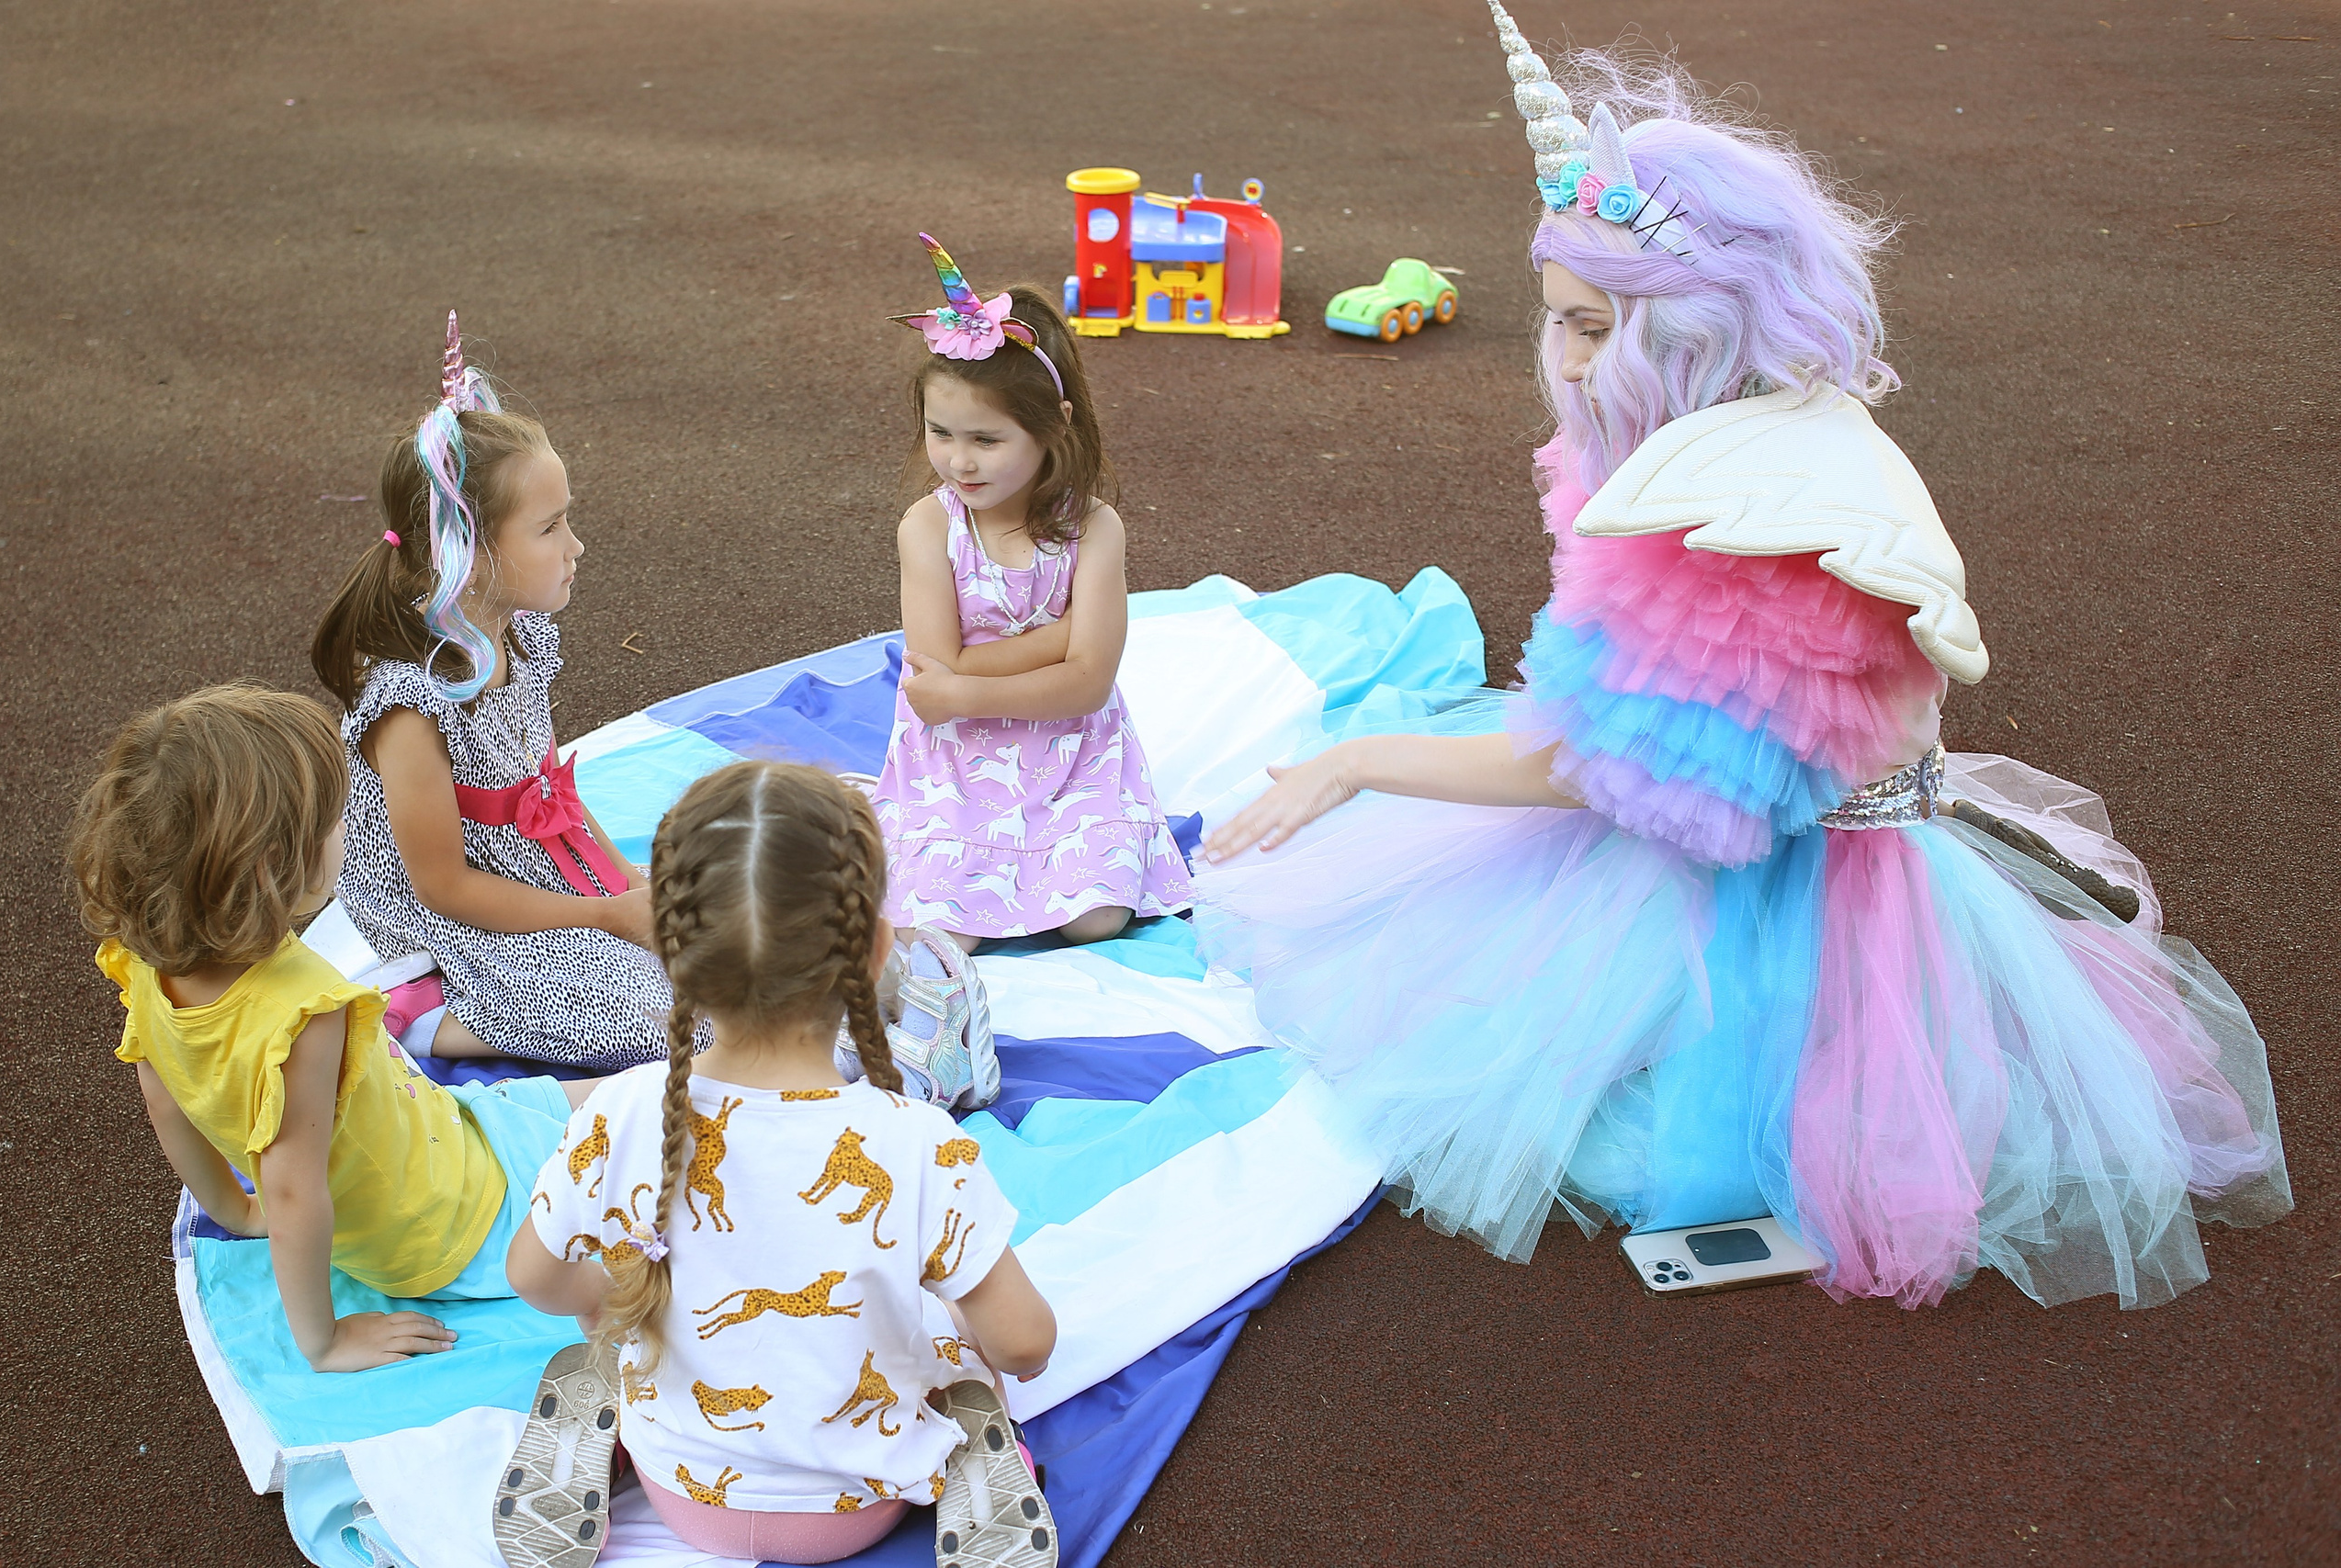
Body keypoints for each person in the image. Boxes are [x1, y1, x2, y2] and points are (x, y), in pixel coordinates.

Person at [1196, 6, 2290, 1312]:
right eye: (1559, 319)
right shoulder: (1764, 435)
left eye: (1597, 325)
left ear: (1699, 327)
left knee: (1514, 1045)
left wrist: (1365, 760)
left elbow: (1595, 773)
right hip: (1768, 815)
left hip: (1794, 894)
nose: (1567, 359)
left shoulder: (1753, 514)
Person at [508, 761, 1059, 1568]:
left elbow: (535, 1277)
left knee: (623, 1325)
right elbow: (1027, 1341)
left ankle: (618, 1422)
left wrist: (615, 1298)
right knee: (959, 1348)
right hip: (859, 1507)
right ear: (875, 949)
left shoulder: (618, 1111)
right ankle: (970, 1446)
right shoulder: (920, 1141)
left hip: (682, 1491)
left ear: (669, 948)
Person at [69, 683, 587, 1373]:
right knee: (661, 1176)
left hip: (441, 1133)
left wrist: (234, 1210)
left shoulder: (144, 962)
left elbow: (164, 1099)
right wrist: (325, 1339)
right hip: (458, 1221)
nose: (350, 825)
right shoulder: (304, 1015)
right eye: (335, 819)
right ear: (271, 867)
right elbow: (291, 1189)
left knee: (627, 1098)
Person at [310, 313, 666, 1070]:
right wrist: (603, 914)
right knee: (661, 1022)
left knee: (697, 938)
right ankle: (427, 1013)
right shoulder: (412, 704)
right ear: (468, 555)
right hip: (446, 919)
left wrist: (623, 882)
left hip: (517, 868)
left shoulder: (519, 634)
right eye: (551, 527)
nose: (576, 546)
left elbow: (548, 787)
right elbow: (441, 888)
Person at [872, 234, 1193, 953]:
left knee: (1097, 916)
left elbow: (1086, 686)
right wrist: (1062, 640)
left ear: (1054, 429)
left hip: (1072, 749)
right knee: (944, 929)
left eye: (987, 439)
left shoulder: (1095, 529)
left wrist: (971, 683)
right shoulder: (928, 527)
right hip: (958, 756)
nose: (958, 459)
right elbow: (933, 668)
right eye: (940, 431)